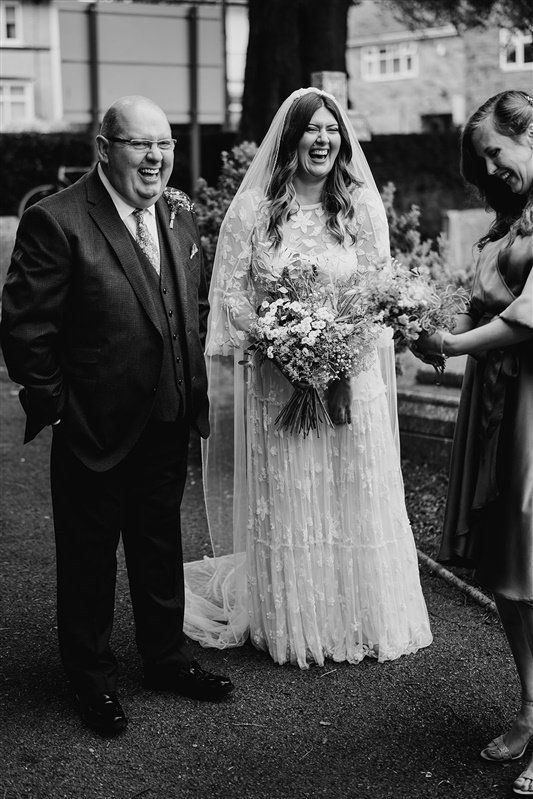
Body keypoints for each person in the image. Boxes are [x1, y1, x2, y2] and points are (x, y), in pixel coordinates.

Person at [0, 95, 234, 737]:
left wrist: (193, 395)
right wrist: (58, 408)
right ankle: (92, 678)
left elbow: (187, 309)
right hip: (92, 428)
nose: (157, 157)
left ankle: (165, 659)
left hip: (166, 419)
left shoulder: (179, 218)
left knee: (160, 547)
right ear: (105, 148)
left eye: (165, 144)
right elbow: (25, 329)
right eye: (141, 144)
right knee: (88, 558)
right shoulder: (58, 219)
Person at [183, 87, 433, 669]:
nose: (323, 139)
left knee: (351, 492)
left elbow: (380, 293)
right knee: (296, 492)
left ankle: (360, 615)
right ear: (290, 137)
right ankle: (298, 622)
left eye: (332, 129)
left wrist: (337, 356)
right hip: (279, 382)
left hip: (353, 381)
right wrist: (283, 345)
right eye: (311, 129)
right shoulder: (253, 211)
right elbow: (231, 295)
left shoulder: (362, 208)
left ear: (342, 140)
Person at [415, 90, 533, 797]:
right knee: (506, 572)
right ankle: (527, 706)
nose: (490, 167)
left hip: (531, 405)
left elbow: (525, 320)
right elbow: (478, 302)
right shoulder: (504, 224)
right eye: (482, 159)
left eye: (498, 150)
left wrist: (455, 343)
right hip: (492, 405)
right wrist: (422, 322)